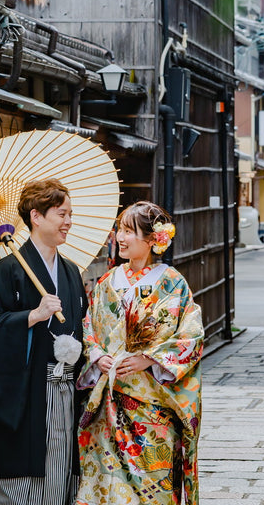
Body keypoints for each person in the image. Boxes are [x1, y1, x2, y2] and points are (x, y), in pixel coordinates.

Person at [76, 201, 204, 505]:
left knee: (154, 488)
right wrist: (97, 357)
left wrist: (148, 358)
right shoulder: (107, 283)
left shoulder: (172, 283)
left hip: (152, 406)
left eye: (130, 231)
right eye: (120, 229)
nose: (121, 237)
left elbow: (191, 335)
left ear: (152, 240)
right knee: (107, 487)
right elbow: (89, 328)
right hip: (109, 402)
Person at [0, 179, 88, 505]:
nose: (68, 222)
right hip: (27, 394)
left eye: (70, 214)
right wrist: (31, 316)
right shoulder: (8, 271)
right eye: (61, 214)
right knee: (24, 482)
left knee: (61, 472)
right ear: (36, 217)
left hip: (65, 389)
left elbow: (86, 325)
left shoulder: (69, 272)